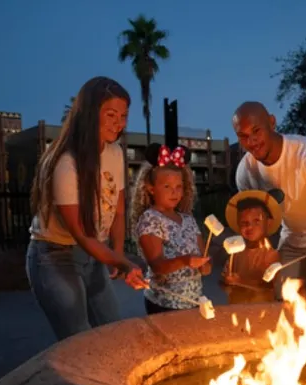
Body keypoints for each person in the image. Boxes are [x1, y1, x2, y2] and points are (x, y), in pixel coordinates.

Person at [27, 76, 147, 341]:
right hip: (54, 256)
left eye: (124, 115)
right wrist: (124, 263)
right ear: (89, 113)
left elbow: (117, 208)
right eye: (111, 114)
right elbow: (81, 234)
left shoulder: (114, 152)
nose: (119, 123)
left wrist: (116, 253)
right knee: (79, 339)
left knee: (112, 331)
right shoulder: (66, 163)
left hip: (93, 253)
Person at [232, 101, 306, 303]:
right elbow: (255, 228)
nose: (252, 141)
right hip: (290, 237)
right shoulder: (245, 173)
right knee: (285, 303)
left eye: (256, 131)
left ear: (271, 122)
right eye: (243, 136)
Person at [130, 143, 212, 315]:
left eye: (178, 186)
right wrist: (185, 261)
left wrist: (205, 267)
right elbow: (158, 266)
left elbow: (204, 260)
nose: (174, 192)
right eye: (167, 186)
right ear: (151, 189)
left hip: (194, 301)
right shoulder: (150, 219)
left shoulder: (189, 220)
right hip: (164, 304)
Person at [220, 190, 282, 304]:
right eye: (244, 223)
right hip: (236, 309)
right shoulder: (235, 253)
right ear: (238, 225)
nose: (249, 226)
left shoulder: (271, 254)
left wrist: (241, 281)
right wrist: (226, 282)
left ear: (268, 223)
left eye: (256, 221)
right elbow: (223, 283)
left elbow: (268, 285)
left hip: (260, 311)